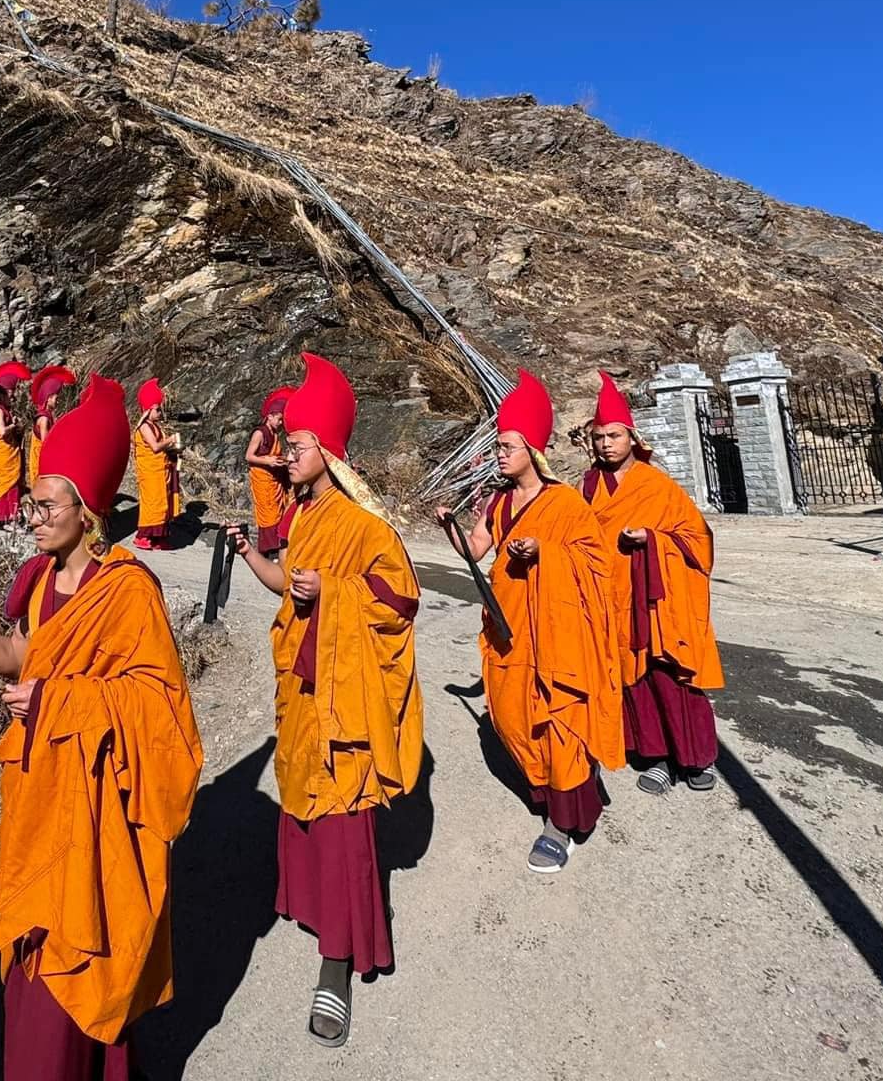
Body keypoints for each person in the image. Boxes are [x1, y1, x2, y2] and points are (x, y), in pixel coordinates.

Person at [0, 375, 203, 1079]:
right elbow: (23, 658)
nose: (31, 516)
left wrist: (59, 701)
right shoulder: (43, 583)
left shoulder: (129, 590)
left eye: (45, 505)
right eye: (31, 505)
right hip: (43, 797)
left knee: (84, 959)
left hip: (101, 803)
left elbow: (159, 706)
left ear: (86, 510)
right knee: (35, 951)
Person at [225, 353, 422, 1048]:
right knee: (303, 795)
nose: (285, 455)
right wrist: (253, 555)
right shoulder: (304, 518)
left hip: (345, 700)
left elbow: (401, 603)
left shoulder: (369, 528)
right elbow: (289, 584)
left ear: (329, 455)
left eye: (297, 446)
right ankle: (310, 912)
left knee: (341, 817)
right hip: (304, 693)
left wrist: (332, 593)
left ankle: (337, 964)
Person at [436, 369, 621, 874]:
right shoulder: (498, 502)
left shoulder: (564, 502)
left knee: (558, 720)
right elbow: (477, 550)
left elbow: (597, 562)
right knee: (513, 718)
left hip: (557, 633)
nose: (500, 453)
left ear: (533, 452)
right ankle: (555, 792)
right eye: (498, 445)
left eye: (508, 445)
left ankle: (561, 824)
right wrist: (452, 527)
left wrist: (547, 551)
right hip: (508, 629)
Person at [582, 372, 722, 795]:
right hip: (613, 597)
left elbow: (698, 540)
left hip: (657, 599)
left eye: (614, 436)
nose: (606, 444)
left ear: (631, 438)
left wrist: (653, 539)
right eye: (600, 437)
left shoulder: (657, 486)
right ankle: (656, 757)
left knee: (671, 676)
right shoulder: (588, 486)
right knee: (633, 679)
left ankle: (695, 757)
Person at [245, 386, 296, 558]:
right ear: (270, 416)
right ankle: (268, 549)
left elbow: (274, 455)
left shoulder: (274, 434)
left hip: (274, 478)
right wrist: (266, 460)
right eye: (279, 420)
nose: (281, 424)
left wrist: (282, 460)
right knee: (269, 513)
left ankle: (276, 546)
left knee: (278, 510)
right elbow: (249, 456)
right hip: (263, 478)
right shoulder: (260, 433)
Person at [131, 380, 182, 551]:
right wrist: (171, 440)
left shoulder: (156, 427)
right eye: (157, 409)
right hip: (150, 472)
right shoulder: (144, 427)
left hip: (161, 471)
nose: (160, 412)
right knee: (152, 503)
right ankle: (143, 536)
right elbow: (155, 447)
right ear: (147, 409)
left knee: (162, 504)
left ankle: (159, 537)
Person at [0, 362, 32, 528]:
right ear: (2, 393)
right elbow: (2, 431)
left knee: (12, 485)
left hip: (9, 453)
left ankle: (9, 517)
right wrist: (14, 426)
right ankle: (5, 518)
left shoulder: (5, 410)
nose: (13, 395)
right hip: (2, 455)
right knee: (5, 485)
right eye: (10, 391)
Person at [26, 365, 77, 487]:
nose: (57, 400)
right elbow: (45, 444)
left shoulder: (47, 415)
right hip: (42, 464)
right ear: (48, 398)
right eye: (55, 397)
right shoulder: (43, 419)